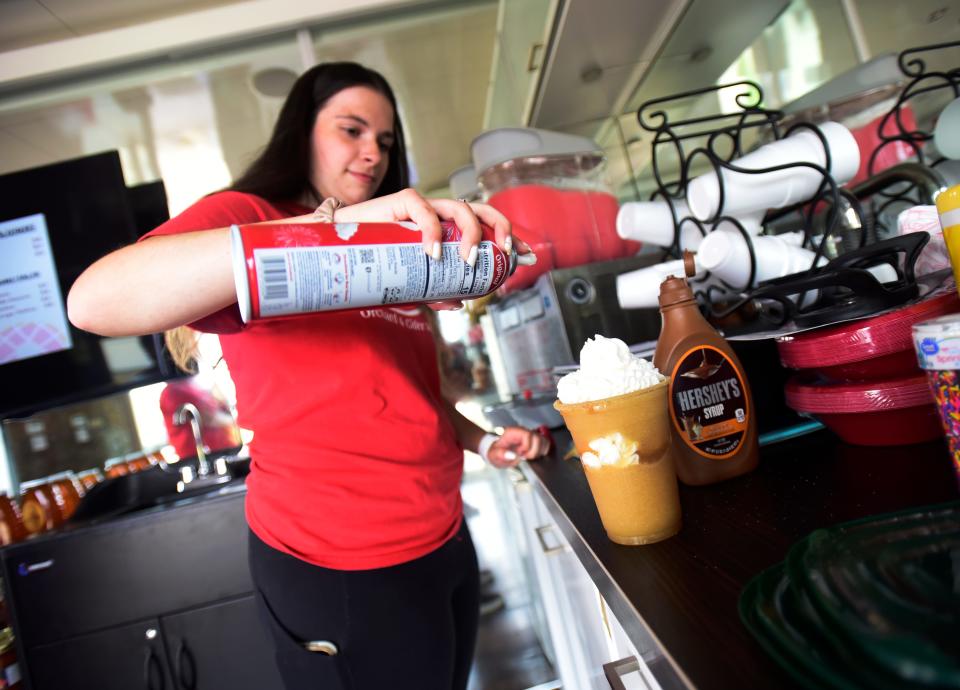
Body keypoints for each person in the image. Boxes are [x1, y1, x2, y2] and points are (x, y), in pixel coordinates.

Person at [66, 61, 550, 690]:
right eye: (351, 130)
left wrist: (483, 440)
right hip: (338, 560)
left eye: (384, 140)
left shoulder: (399, 246)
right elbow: (95, 301)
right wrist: (331, 230)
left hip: (441, 535)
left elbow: (412, 395)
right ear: (302, 133)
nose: (372, 153)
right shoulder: (251, 213)